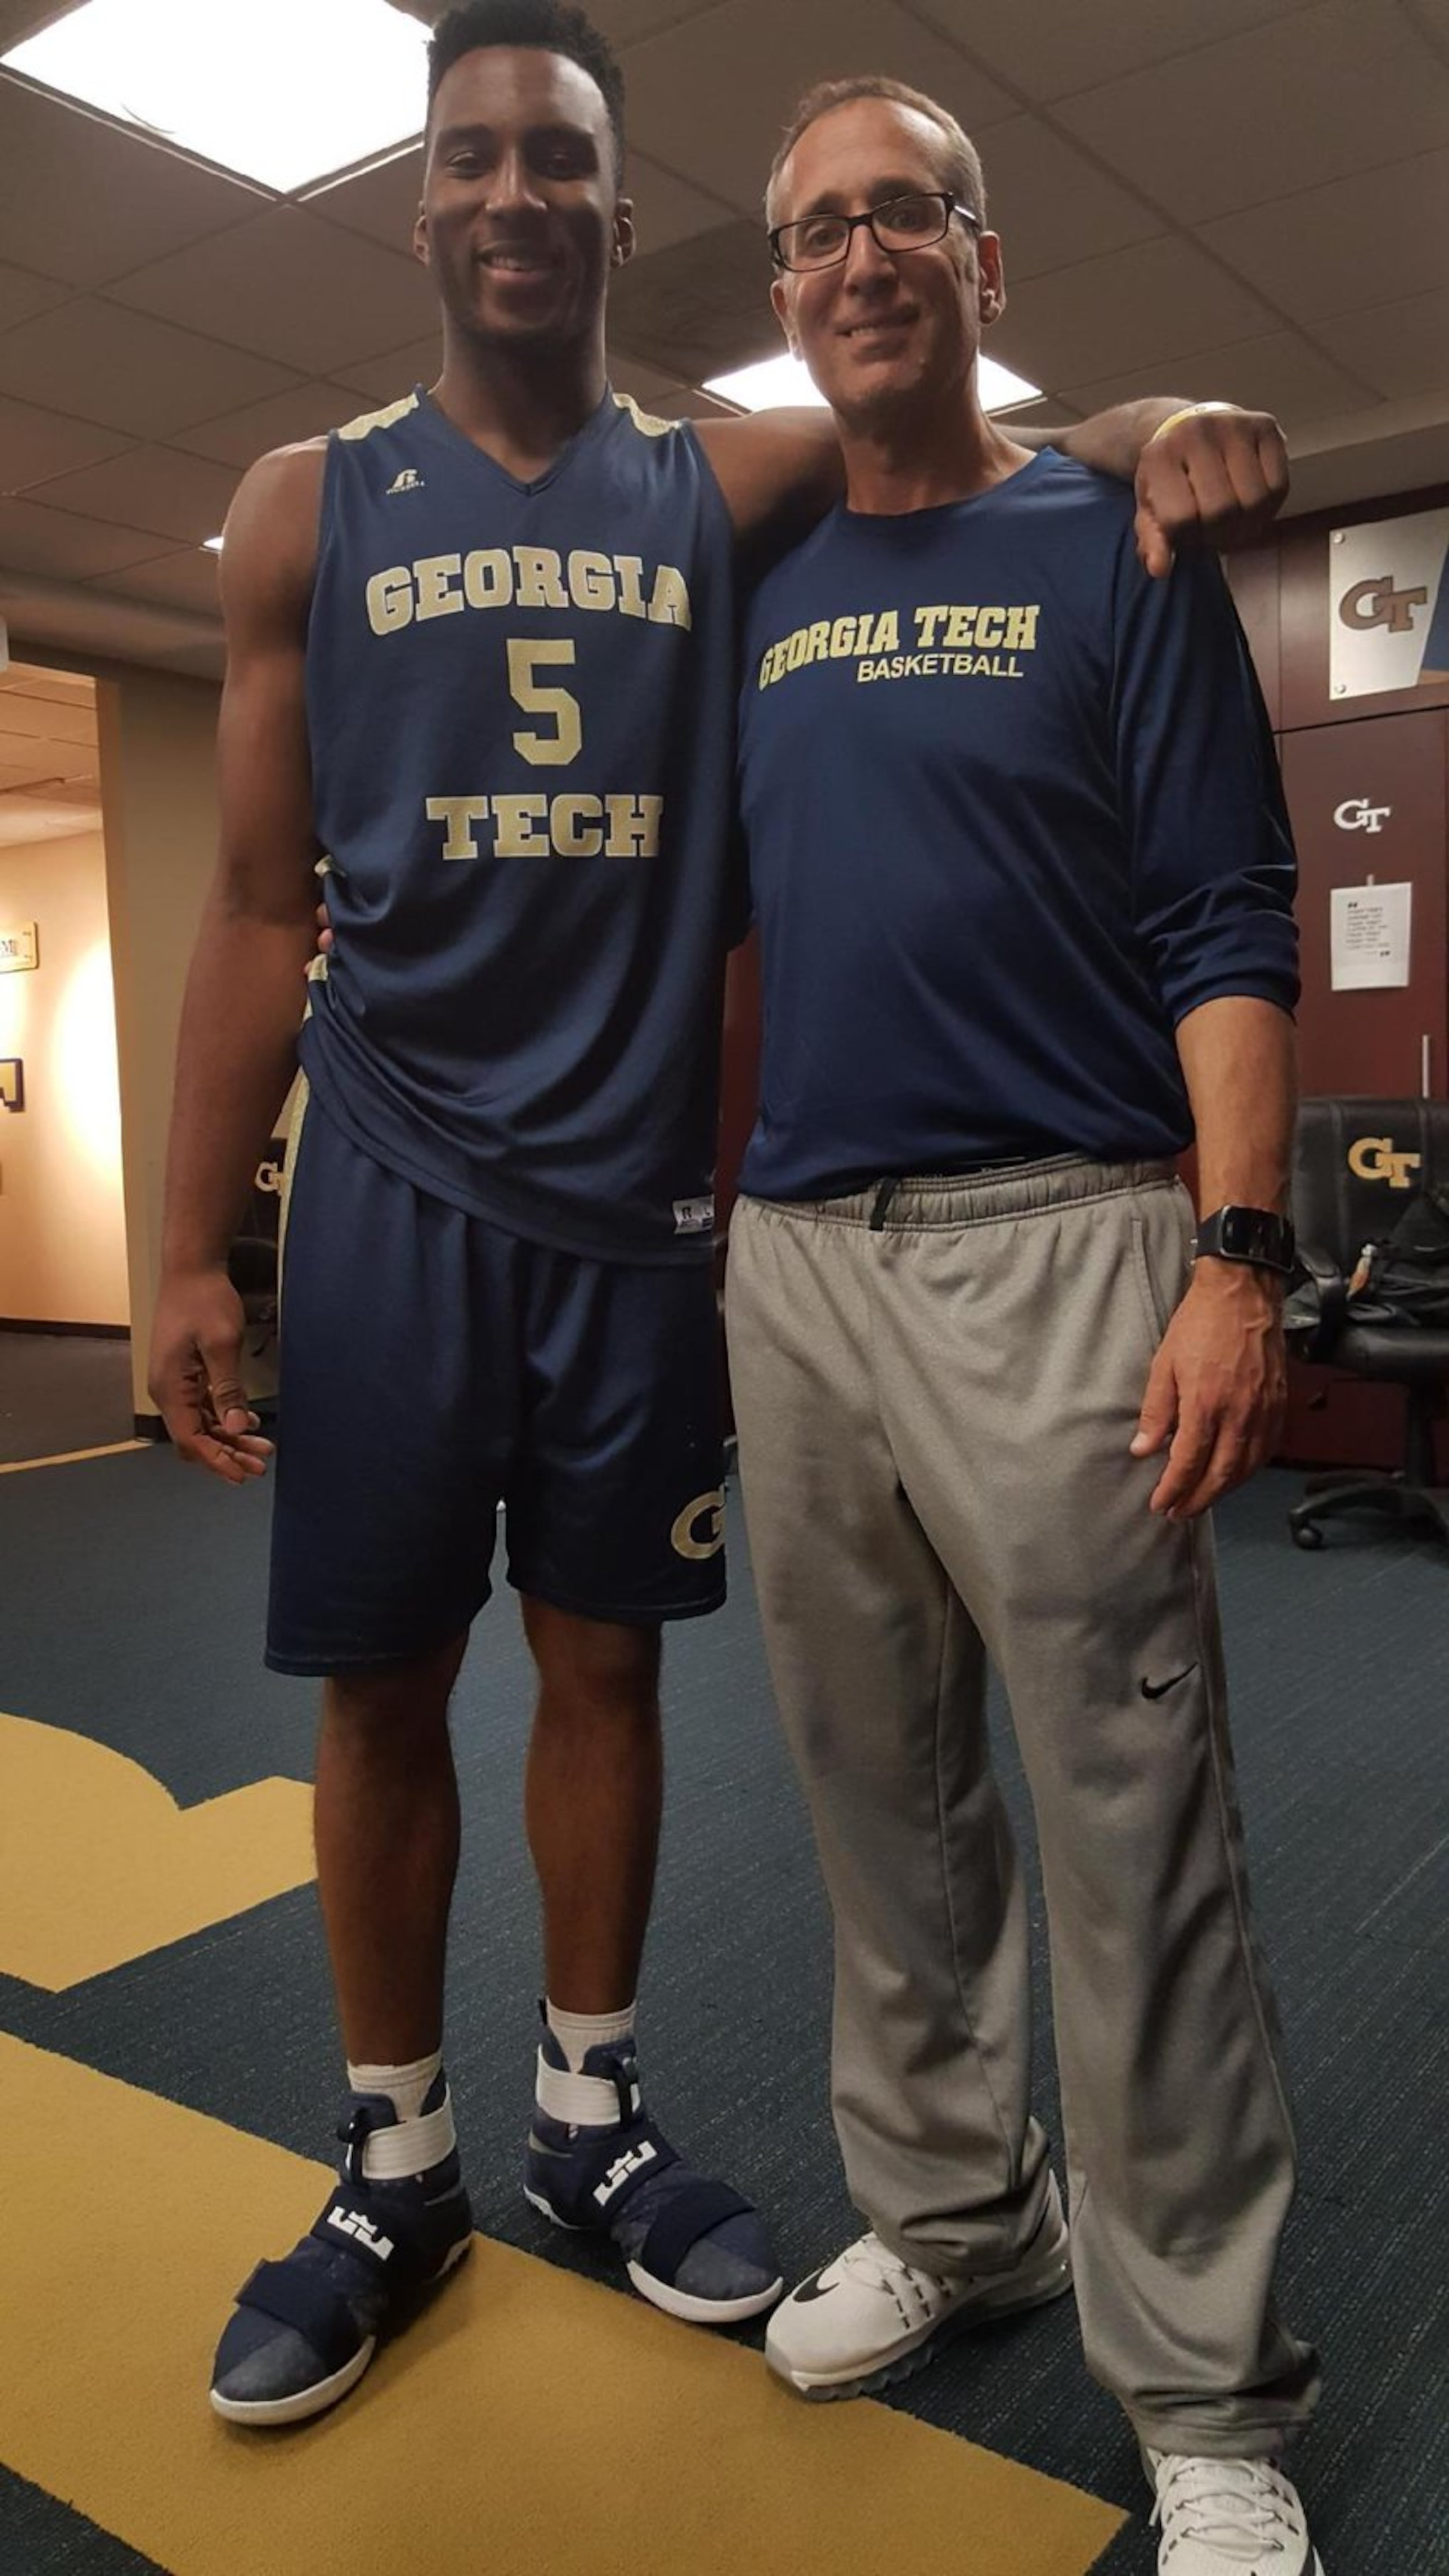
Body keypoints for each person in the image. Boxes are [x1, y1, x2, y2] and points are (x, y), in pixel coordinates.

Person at [148, 0, 1291, 2433]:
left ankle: (595, 2118)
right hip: (446, 1202)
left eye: (558, 158)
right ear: (421, 195)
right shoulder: (305, 503)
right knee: (454, 1703)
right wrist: (173, 1252)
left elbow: (971, 457)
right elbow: (251, 905)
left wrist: (1121, 429)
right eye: (468, 157)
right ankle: (397, 2159)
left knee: (638, 1686)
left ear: (617, 210)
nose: (513, 197)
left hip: (697, 1224)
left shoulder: (714, 483)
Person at [723, 76, 1324, 2576]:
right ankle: (966, 2224)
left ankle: (1209, 2401)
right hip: (795, 1264)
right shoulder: (736, 577)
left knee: (1126, 1827)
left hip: (1069, 1242)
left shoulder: (1122, 537)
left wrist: (1235, 1253)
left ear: (982, 259)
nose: (861, 255)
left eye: (908, 215)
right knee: (885, 1812)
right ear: (781, 294)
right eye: (817, 229)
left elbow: (1226, 926)